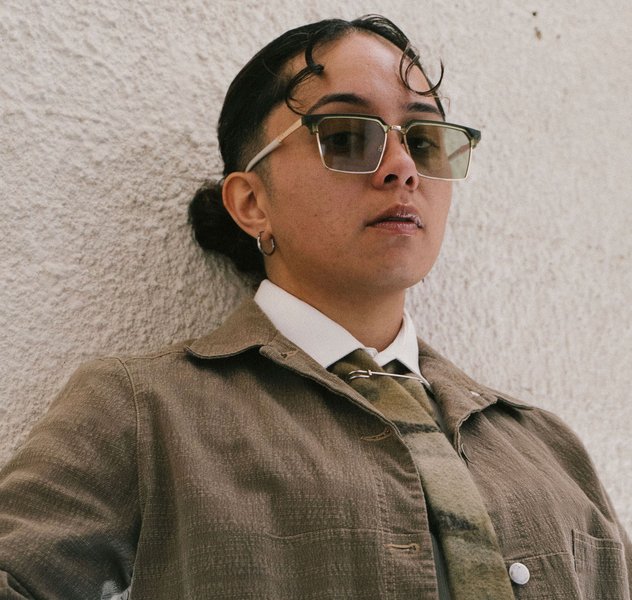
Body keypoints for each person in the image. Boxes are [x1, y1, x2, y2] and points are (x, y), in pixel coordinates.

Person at [0, 14, 630, 600]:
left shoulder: (547, 447)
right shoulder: (146, 412)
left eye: (425, 141)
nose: (403, 168)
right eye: (348, 136)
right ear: (252, 203)